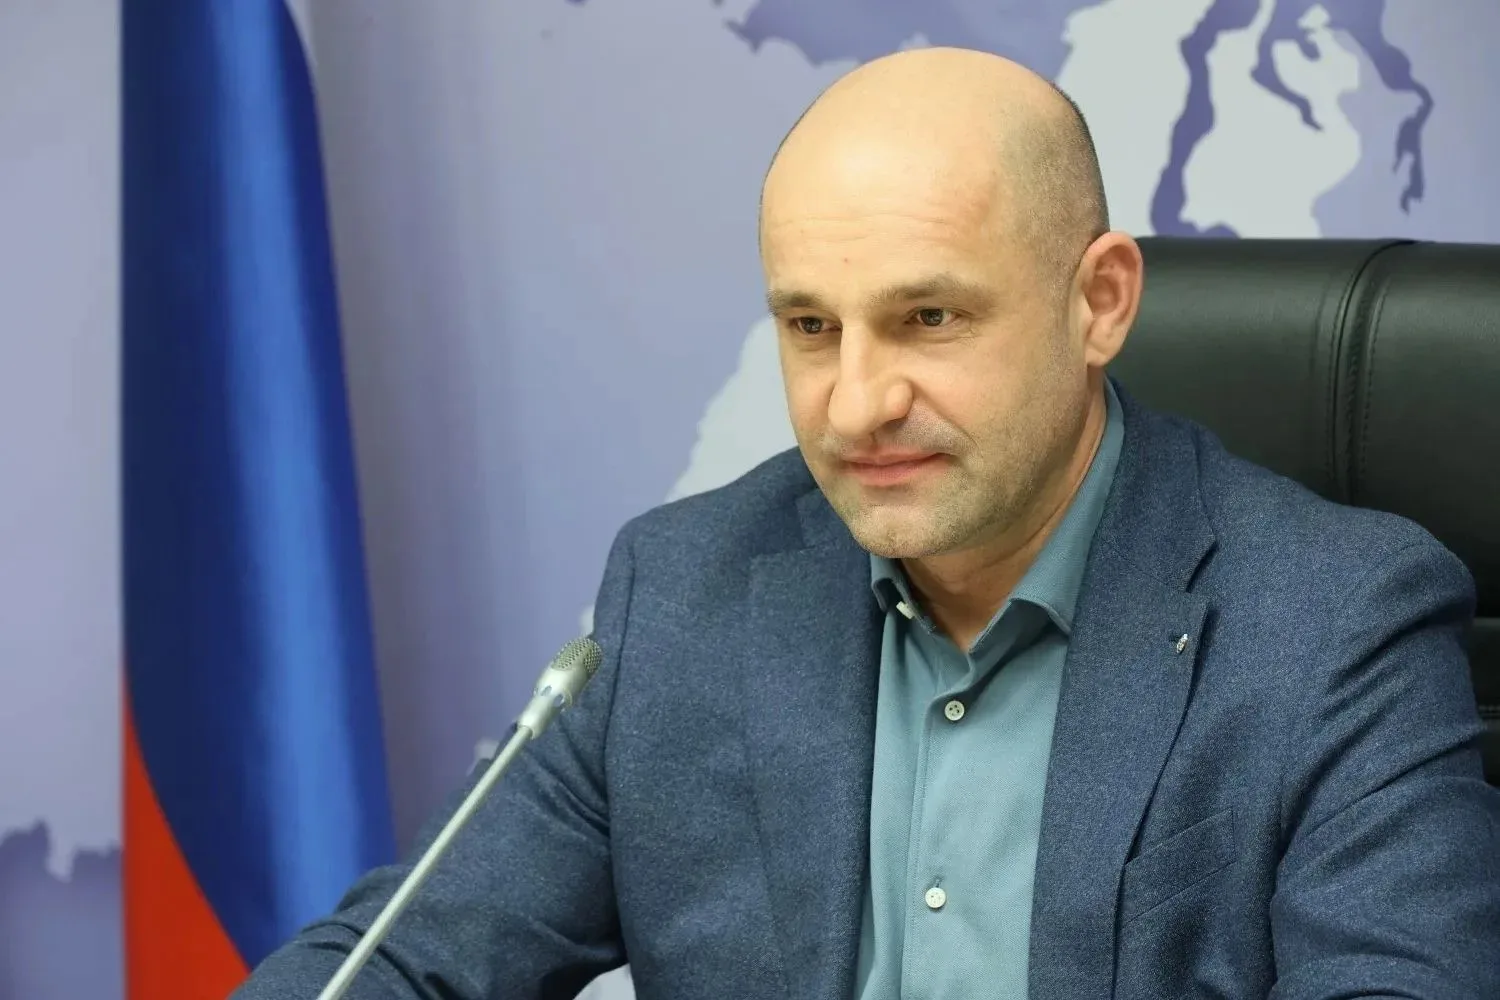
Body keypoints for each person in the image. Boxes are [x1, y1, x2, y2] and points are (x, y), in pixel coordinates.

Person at [233, 46, 1500, 999]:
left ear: (1101, 302)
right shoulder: (683, 593)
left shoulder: (1335, 623)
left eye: (927, 319)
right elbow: (402, 959)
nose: (855, 404)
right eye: (811, 326)